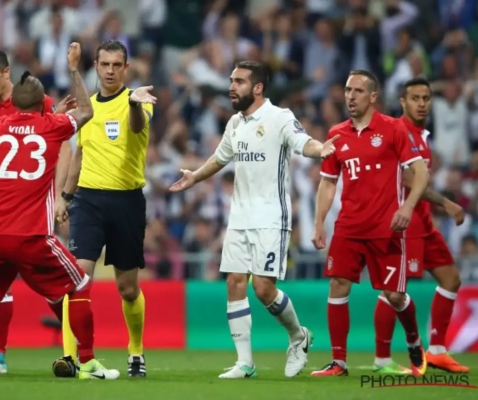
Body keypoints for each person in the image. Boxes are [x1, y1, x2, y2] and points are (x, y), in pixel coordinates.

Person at [0, 43, 120, 381]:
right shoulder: (51, 125)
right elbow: (86, 112)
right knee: (80, 284)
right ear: (41, 105)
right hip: (30, 234)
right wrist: (73, 70)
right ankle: (88, 363)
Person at [169, 60, 339, 379]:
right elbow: (220, 157)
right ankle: (245, 362)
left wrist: (320, 149)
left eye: (239, 82)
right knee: (234, 282)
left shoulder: (279, 117)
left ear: (258, 87)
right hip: (240, 216)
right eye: (231, 81)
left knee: (262, 288)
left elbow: (303, 142)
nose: (232, 87)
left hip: (271, 216)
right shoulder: (235, 122)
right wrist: (195, 177)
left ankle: (298, 336)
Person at [311, 70, 430, 377]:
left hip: (386, 229)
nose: (350, 96)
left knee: (395, 296)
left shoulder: (393, 129)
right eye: (347, 90)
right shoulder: (337, 134)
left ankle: (414, 339)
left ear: (373, 96)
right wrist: (319, 222)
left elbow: (421, 172)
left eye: (358, 91)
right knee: (337, 285)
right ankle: (339, 362)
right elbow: (328, 182)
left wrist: (407, 206)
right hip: (349, 227)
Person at [0, 48, 75, 373]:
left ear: (6, 72)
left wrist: (59, 197)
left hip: (35, 213)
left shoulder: (36, 100)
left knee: (53, 289)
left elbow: (64, 147)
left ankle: (74, 351)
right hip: (0, 215)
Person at [56, 39, 155, 378]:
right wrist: (65, 197)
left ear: (125, 68)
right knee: (77, 278)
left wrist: (134, 104)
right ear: (96, 67)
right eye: (105, 65)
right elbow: (80, 154)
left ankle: (136, 350)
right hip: (88, 201)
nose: (110, 71)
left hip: (126, 201)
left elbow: (137, 126)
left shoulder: (138, 101)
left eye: (116, 65)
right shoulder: (88, 110)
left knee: (127, 288)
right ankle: (71, 357)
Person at [372, 77, 468, 374]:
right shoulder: (399, 132)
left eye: (426, 98)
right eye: (415, 98)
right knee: (394, 291)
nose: (422, 104)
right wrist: (446, 203)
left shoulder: (422, 135)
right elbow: (408, 180)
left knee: (451, 279)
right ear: (403, 102)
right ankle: (382, 359)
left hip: (424, 223)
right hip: (406, 224)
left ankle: (437, 351)